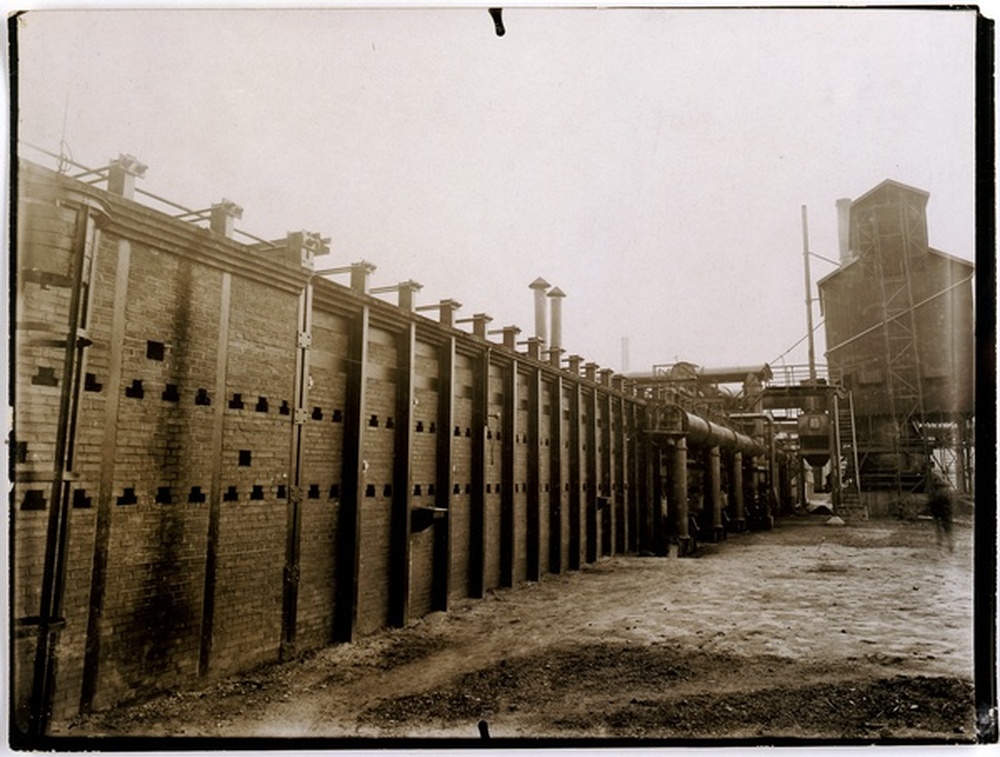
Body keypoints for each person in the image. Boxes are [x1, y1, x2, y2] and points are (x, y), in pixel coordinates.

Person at [927, 477, 954, 553]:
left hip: (939, 513)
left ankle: (940, 544)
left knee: (938, 529)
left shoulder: (937, 494)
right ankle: (950, 544)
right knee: (948, 529)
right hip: (948, 513)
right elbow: (951, 504)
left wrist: (933, 513)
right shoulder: (949, 492)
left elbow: (933, 503)